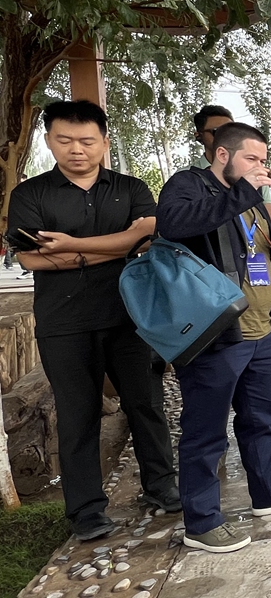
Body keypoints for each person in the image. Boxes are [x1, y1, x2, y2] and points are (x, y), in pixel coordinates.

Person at [5, 100, 177, 541]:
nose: (76, 149)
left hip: (131, 317)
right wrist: (121, 243)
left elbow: (149, 239)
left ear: (103, 141)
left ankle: (161, 486)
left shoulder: (131, 188)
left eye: (86, 141)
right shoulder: (31, 195)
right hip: (65, 322)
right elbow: (29, 257)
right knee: (78, 415)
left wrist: (69, 250)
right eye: (64, 140)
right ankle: (86, 510)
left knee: (147, 405)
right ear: (49, 141)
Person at [158, 122, 271, 554]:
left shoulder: (252, 201)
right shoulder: (189, 186)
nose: (261, 168)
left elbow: (263, 254)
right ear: (224, 155)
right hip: (217, 333)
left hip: (262, 330)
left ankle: (269, 493)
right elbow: (173, 225)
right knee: (205, 432)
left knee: (261, 422)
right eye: (253, 158)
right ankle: (202, 521)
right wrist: (243, 193)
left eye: (264, 161)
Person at [190, 105, 234, 169]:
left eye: (231, 132)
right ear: (199, 135)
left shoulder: (248, 172)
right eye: (217, 132)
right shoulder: (185, 176)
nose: (226, 136)